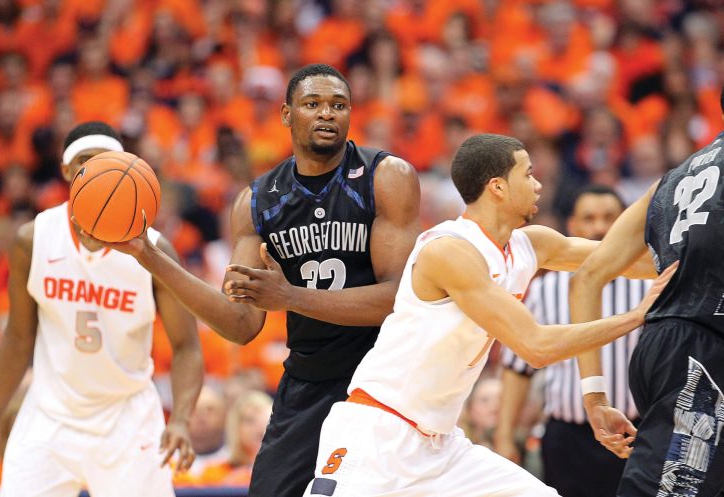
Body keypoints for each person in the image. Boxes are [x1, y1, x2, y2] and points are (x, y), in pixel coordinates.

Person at [89, 64, 422, 497]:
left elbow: (397, 299)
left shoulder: (385, 176)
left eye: (338, 105)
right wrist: (148, 256)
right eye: (313, 104)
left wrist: (290, 297)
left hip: (382, 375)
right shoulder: (258, 202)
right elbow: (240, 324)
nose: (327, 113)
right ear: (286, 115)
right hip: (308, 380)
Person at [300, 133, 675, 497]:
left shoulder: (532, 245)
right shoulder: (449, 251)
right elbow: (536, 347)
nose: (538, 185)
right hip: (379, 433)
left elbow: (627, 261)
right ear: (498, 187)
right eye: (527, 174)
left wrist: (689, 248)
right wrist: (635, 316)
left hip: (441, 445)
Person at [0, 121, 204, 497]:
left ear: (125, 169)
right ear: (66, 171)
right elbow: (17, 337)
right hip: (50, 413)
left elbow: (187, 346)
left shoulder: (153, 250)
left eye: (106, 161)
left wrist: (180, 419)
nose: (96, 170)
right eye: (85, 161)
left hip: (127, 417)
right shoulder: (33, 238)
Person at [571, 90, 724, 496]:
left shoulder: (669, 181)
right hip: (699, 356)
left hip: (664, 345)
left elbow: (588, 276)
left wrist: (594, 396)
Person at [495, 185, 652, 497]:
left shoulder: (649, 285)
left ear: (625, 223)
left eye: (609, 217)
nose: (599, 227)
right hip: (567, 437)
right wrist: (504, 436)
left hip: (636, 431)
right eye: (589, 218)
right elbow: (518, 368)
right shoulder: (545, 289)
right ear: (573, 226)